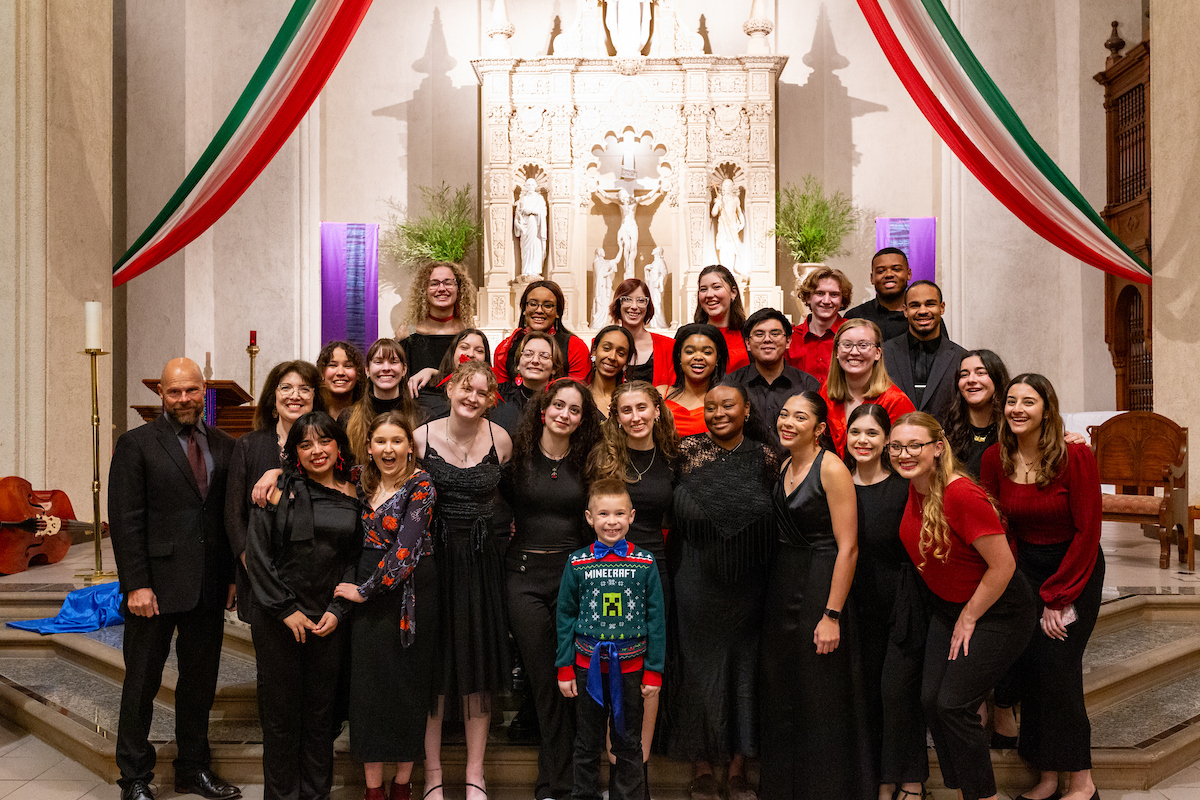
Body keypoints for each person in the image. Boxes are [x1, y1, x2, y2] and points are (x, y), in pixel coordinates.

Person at [109, 358, 240, 800]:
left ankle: (193, 768)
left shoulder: (224, 445)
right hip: (155, 587)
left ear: (204, 391)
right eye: (174, 392)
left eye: (191, 390)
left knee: (199, 684)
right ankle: (134, 778)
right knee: (142, 682)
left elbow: (225, 520)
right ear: (161, 394)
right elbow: (126, 520)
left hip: (206, 585)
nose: (183, 399)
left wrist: (230, 578)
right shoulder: (137, 444)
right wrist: (136, 584)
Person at [891, 412, 1035, 800]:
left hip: (999, 608)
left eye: (914, 445)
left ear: (938, 448)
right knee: (930, 701)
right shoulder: (914, 487)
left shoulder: (959, 494)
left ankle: (983, 796)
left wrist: (970, 616)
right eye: (897, 446)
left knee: (953, 704)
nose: (904, 454)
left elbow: (1003, 565)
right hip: (950, 606)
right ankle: (964, 790)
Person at [980, 375, 1103, 800]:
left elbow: (1088, 530)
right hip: (1023, 571)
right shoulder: (995, 457)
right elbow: (1000, 525)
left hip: (1074, 567)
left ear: (1046, 410)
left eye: (1027, 402)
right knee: (1033, 670)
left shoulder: (1075, 456)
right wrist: (1019, 585)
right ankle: (1047, 778)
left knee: (1060, 672)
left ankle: (1083, 782)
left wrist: (1058, 597)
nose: (1017, 409)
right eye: (1011, 400)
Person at [664, 382, 780, 800]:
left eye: (727, 406)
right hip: (694, 577)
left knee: (743, 670)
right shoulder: (683, 453)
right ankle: (701, 767)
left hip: (750, 584)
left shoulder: (767, 458)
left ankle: (736, 767)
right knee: (696, 667)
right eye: (710, 407)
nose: (717, 413)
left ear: (746, 410)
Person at [245, 411, 363, 800]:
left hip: (329, 617)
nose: (317, 451)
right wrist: (284, 609)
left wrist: (338, 609)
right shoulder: (276, 490)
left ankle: (316, 794)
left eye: (324, 441)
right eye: (306, 444)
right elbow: (258, 556)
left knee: (320, 716)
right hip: (279, 616)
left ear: (337, 445)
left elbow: (355, 558)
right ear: (294, 450)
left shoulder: (353, 492)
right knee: (280, 717)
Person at [760, 392, 870, 800]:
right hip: (783, 583)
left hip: (822, 582)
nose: (787, 422)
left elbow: (849, 547)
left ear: (820, 428)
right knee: (784, 688)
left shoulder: (833, 469)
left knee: (818, 692)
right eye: (785, 414)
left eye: (800, 417)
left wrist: (832, 614)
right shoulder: (786, 462)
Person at [413, 360, 514, 800]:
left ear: (491, 399)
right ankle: (432, 772)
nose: (472, 398)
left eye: (482, 393)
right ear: (450, 389)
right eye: (465, 389)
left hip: (481, 564)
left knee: (479, 665)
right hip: (434, 564)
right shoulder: (420, 439)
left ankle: (476, 773)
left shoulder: (501, 439)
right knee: (433, 668)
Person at [504, 379, 604, 800]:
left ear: (583, 419)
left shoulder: (588, 461)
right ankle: (557, 783)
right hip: (523, 577)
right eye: (558, 405)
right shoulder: (516, 456)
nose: (564, 413)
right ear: (543, 410)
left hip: (573, 579)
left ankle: (563, 781)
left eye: (574, 409)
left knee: (574, 681)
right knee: (545, 680)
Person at [334, 412, 438, 800]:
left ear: (410, 446)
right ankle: (373, 791)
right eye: (381, 441)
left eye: (397, 441)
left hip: (409, 591)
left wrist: (365, 590)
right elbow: (310, 463)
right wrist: (273, 475)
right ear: (370, 446)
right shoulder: (360, 478)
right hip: (366, 590)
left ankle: (402, 786)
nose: (389, 449)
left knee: (407, 688)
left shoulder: (422, 484)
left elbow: (407, 548)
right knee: (368, 692)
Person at [588, 381, 680, 777]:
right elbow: (592, 519)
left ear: (657, 410)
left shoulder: (674, 458)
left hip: (655, 569)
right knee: (611, 665)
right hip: (609, 570)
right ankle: (613, 761)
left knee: (647, 667)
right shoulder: (603, 459)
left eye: (642, 408)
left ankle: (636, 768)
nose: (636, 417)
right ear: (616, 416)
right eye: (626, 410)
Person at [556, 478, 666, 800]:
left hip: (631, 672)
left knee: (629, 742)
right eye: (603, 514)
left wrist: (654, 670)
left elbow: (656, 620)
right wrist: (564, 667)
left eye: (619, 514)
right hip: (586, 669)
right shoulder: (577, 563)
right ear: (590, 518)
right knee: (586, 743)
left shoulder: (645, 564)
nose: (612, 521)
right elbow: (565, 616)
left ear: (632, 516)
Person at [844, 404, 928, 800]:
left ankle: (909, 780)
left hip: (899, 601)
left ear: (887, 442)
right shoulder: (837, 482)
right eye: (855, 432)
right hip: (854, 605)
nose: (863, 440)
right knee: (867, 695)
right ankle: (880, 779)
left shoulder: (905, 486)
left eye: (872, 434)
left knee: (898, 693)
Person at [226, 360, 323, 624]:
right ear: (274, 395)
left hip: (314, 579)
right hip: (260, 577)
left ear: (315, 396)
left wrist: (279, 472)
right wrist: (258, 573)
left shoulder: (325, 447)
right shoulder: (248, 445)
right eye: (286, 387)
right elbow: (234, 518)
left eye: (305, 388)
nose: (295, 395)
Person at [822, 319, 915, 456]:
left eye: (863, 345)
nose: (854, 352)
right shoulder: (826, 392)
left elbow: (907, 455)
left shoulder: (896, 401)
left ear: (877, 353)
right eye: (847, 345)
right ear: (836, 352)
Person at [727, 308, 820, 446]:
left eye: (775, 333)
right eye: (759, 334)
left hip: (796, 465)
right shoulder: (731, 384)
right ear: (747, 343)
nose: (767, 339)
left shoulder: (808, 385)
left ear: (788, 341)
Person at [882, 281, 966, 425]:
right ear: (905, 310)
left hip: (947, 444)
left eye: (930, 304)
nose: (922, 311)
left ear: (942, 308)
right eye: (915, 305)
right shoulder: (883, 354)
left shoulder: (961, 357)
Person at [493, 280, 590, 383]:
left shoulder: (575, 347)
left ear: (558, 312)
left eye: (547, 306)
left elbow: (577, 392)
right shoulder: (506, 348)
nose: (539, 310)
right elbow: (500, 394)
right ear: (524, 309)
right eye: (533, 304)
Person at [343, 338, 419, 464]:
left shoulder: (422, 416)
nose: (386, 368)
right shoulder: (348, 417)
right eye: (378, 362)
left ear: (404, 370)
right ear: (367, 370)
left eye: (393, 362)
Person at [397, 261, 476, 375]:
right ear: (424, 291)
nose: (442, 288)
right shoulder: (408, 333)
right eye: (434, 284)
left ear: (459, 288)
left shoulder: (468, 334)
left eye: (448, 283)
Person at [944, 350, 1011, 480]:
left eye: (981, 373)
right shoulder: (947, 431)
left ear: (997, 379)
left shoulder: (1012, 430)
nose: (971, 380)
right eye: (964, 375)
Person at [657, 323, 728, 437]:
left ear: (717, 359)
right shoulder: (660, 395)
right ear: (679, 356)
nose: (698, 357)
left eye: (707, 352)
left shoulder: (728, 400)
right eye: (690, 352)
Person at [786, 266, 851, 383]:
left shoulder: (854, 334)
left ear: (842, 301)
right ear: (808, 298)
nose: (826, 301)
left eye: (834, 295)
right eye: (820, 293)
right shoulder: (792, 338)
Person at [490, 331, 564, 435]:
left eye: (544, 356)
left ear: (554, 368)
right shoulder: (499, 398)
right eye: (528, 354)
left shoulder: (561, 404)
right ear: (518, 365)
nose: (535, 360)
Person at [413, 328, 492, 424]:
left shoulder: (492, 396)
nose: (470, 354)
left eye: (479, 351)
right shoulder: (428, 391)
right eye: (464, 347)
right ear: (453, 352)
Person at [609, 278, 676, 386]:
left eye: (641, 300)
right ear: (618, 304)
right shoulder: (602, 345)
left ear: (648, 305)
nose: (634, 306)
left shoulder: (668, 346)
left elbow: (674, 390)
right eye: (627, 299)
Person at [844, 248, 911, 343]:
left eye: (896, 269)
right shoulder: (855, 317)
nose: (889, 274)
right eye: (881, 271)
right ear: (872, 278)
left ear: (909, 274)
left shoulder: (921, 317)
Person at [692, 265, 751, 371]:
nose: (709, 294)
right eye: (703, 289)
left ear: (733, 292)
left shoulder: (750, 333)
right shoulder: (689, 335)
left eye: (716, 287)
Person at [587, 325, 635, 417]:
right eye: (606, 348)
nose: (612, 357)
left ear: (626, 361)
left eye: (621, 353)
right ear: (594, 351)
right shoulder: (579, 397)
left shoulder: (632, 399)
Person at [317, 340, 366, 420]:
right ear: (322, 373)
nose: (340, 372)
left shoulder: (368, 416)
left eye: (348, 366)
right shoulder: (311, 413)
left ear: (358, 374)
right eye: (333, 365)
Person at [711, 179, 748, 284]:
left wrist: (742, 223)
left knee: (732, 249)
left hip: (732, 226)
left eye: (729, 186)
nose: (727, 188)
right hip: (723, 227)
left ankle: (730, 270)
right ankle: (724, 270)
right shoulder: (720, 199)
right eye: (725, 186)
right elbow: (714, 213)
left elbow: (739, 212)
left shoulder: (735, 199)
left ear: (732, 187)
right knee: (723, 247)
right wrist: (718, 204)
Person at [515, 179, 549, 278]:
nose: (530, 187)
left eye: (532, 185)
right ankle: (526, 270)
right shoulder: (523, 199)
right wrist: (521, 225)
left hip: (536, 225)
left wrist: (533, 211)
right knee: (526, 248)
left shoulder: (540, 198)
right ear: (525, 186)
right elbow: (518, 214)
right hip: (526, 227)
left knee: (536, 245)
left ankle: (535, 270)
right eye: (528, 185)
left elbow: (543, 212)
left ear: (535, 186)